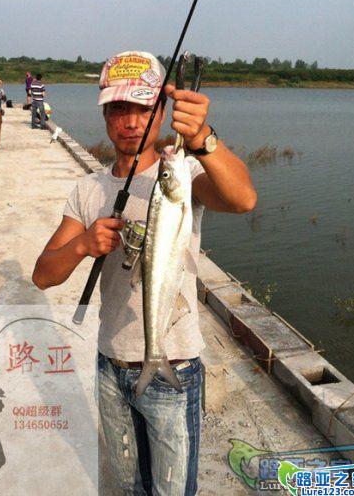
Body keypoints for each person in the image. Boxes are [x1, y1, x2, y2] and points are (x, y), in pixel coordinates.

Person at [32, 51, 257, 495]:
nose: (132, 122)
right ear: (104, 115)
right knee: (130, 485)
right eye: (119, 109)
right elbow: (43, 276)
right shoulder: (89, 190)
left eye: (144, 108)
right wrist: (82, 244)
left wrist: (203, 138)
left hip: (176, 365)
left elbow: (243, 199)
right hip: (110, 365)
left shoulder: (183, 174)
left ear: (161, 111)